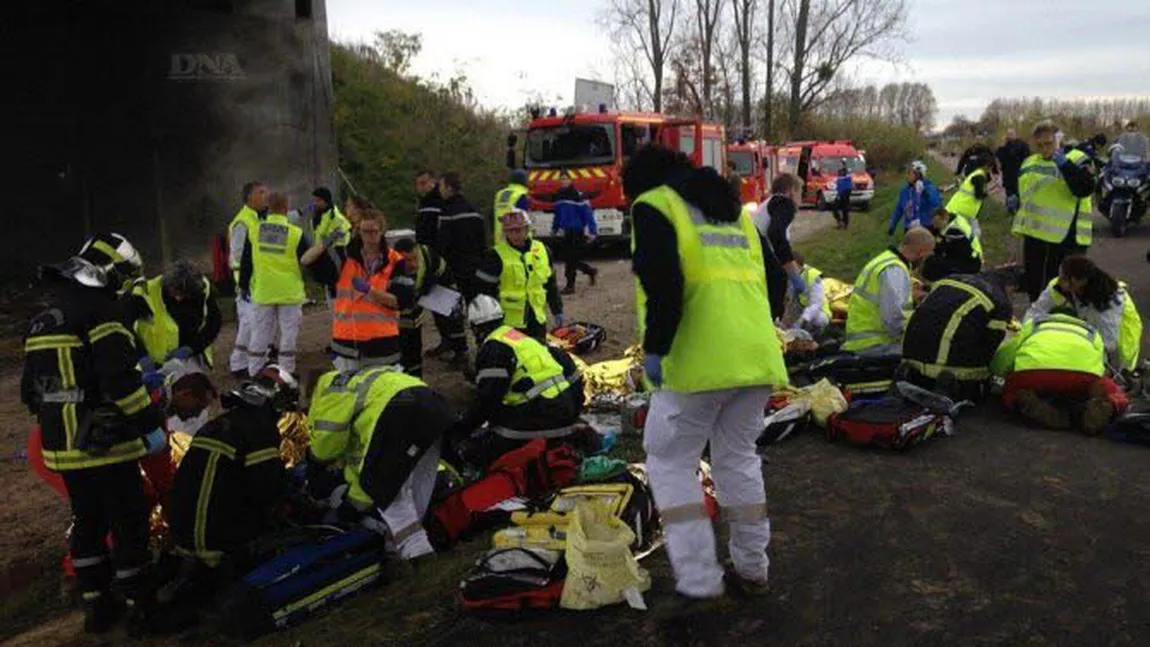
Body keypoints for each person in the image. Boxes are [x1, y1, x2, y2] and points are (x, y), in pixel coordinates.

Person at [626, 144, 787, 604]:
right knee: (737, 458)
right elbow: (774, 280)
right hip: (755, 358)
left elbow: (662, 284)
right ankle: (753, 568)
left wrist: (656, 349)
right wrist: (758, 325)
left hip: (698, 363)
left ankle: (699, 577)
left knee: (670, 462)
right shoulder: (736, 213)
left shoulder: (654, 205)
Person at [21, 233, 168, 634]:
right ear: (109, 272)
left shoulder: (45, 317)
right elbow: (121, 382)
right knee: (130, 522)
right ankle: (143, 610)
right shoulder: (105, 313)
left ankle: (97, 607)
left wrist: (61, 415)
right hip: (104, 444)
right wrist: (150, 421)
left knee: (88, 521)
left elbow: (30, 391)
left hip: (59, 445)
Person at [168, 366, 295, 607]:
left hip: (183, 535)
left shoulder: (217, 426)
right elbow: (269, 493)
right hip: (218, 544)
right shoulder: (259, 431)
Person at [306, 365, 456, 561]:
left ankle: (419, 556)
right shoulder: (356, 381)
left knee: (390, 497)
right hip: (434, 407)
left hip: (399, 413)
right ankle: (405, 549)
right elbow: (362, 460)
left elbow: (327, 445)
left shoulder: (328, 391)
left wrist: (314, 462)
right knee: (417, 488)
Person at [453, 295, 584, 465]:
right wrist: (575, 411)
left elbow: (487, 401)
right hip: (565, 415)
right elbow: (571, 371)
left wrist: (460, 431)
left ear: (474, 328)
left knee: (477, 453)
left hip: (538, 418)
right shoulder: (522, 338)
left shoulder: (494, 348)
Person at [991, 312, 1128, 435]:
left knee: (1012, 390)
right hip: (1083, 374)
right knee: (1109, 389)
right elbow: (1101, 364)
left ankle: (1028, 403)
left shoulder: (1033, 325)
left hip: (1034, 372)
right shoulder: (1091, 331)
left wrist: (998, 373)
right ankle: (1107, 404)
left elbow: (1005, 356)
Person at [899, 266, 1018, 400]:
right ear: (1010, 286)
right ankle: (951, 388)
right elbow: (991, 344)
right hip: (947, 369)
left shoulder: (951, 279)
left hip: (910, 353)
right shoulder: (1000, 300)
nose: (1012, 297)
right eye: (1013, 293)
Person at [1012, 120, 1096, 302]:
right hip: (1035, 234)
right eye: (1039, 145)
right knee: (1036, 285)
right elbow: (1025, 190)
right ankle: (1038, 320)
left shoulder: (1077, 158)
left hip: (1068, 236)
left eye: (1049, 143)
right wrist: (1014, 197)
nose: (1044, 149)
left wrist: (1064, 164)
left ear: (1059, 139)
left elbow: (1085, 188)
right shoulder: (1029, 162)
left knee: (1067, 287)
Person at [243, 193, 323, 377]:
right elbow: (307, 260)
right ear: (286, 209)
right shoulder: (296, 233)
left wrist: (243, 285)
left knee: (260, 332)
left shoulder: (254, 230)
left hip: (264, 290)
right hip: (289, 291)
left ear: (267, 208)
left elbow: (246, 261)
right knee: (288, 333)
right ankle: (286, 371)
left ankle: (255, 369)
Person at [1023, 256, 1143, 374]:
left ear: (1080, 281)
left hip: (1122, 333)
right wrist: (1025, 336)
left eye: (1064, 278)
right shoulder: (1057, 287)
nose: (1059, 281)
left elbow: (1107, 344)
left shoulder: (1108, 301)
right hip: (1089, 323)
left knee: (1119, 370)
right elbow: (1036, 311)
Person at [327, 207, 403, 372]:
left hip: (383, 344)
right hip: (347, 344)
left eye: (373, 231)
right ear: (358, 232)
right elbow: (307, 261)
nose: (369, 236)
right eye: (365, 231)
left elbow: (400, 302)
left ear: (382, 231)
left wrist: (369, 290)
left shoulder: (396, 261)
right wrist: (325, 243)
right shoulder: (345, 259)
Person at [843, 228, 936, 356]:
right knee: (929, 354)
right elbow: (894, 318)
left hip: (866, 341)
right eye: (927, 256)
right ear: (921, 252)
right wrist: (922, 331)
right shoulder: (894, 270)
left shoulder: (885, 261)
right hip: (875, 344)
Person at [476, 209, 566, 341]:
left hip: (537, 319)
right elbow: (484, 293)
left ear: (526, 228)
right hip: (509, 323)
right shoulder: (494, 256)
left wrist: (557, 309)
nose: (514, 234)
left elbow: (550, 284)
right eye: (509, 231)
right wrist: (490, 324)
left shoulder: (543, 250)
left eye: (518, 230)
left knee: (537, 356)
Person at [428, 172, 484, 364]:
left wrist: (436, 267)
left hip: (453, 268)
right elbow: (482, 240)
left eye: (442, 186)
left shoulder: (448, 212)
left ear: (449, 188)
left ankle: (460, 350)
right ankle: (483, 345)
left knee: (451, 312)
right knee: (476, 309)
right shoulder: (473, 210)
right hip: (474, 267)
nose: (440, 190)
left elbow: (442, 243)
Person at [127, 260, 221, 372]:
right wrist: (142, 357)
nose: (179, 298)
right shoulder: (144, 293)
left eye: (185, 295)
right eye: (176, 293)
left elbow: (214, 322)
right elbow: (127, 328)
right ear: (167, 284)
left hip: (189, 356)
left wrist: (192, 348)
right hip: (152, 363)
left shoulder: (202, 290)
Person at [391, 237, 448, 377]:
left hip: (416, 319)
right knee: (399, 357)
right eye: (407, 260)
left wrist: (434, 281)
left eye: (414, 258)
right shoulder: (388, 268)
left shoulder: (425, 254)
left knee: (415, 353)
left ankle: (416, 380)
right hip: (395, 323)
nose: (413, 264)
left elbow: (442, 268)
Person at [228, 182, 269, 378]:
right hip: (249, 285)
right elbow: (238, 255)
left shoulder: (257, 219)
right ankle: (256, 366)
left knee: (247, 326)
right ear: (250, 197)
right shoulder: (243, 222)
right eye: (261, 193)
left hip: (254, 284)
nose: (265, 196)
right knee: (256, 326)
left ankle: (238, 363)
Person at [751, 173, 805, 320]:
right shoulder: (784, 203)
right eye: (800, 192)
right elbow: (776, 234)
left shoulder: (768, 204)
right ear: (791, 191)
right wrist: (792, 271)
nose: (801, 199)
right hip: (764, 262)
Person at [550, 171, 599, 294]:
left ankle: (570, 286)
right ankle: (590, 271)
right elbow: (557, 215)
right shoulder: (559, 196)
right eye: (561, 179)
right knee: (569, 258)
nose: (563, 181)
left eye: (565, 179)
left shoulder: (579, 195)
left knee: (570, 258)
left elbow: (588, 215)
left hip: (577, 231)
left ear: (571, 180)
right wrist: (554, 229)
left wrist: (592, 231)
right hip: (565, 231)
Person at [945, 148, 995, 240]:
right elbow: (979, 195)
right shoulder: (979, 176)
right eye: (990, 167)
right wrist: (991, 192)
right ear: (986, 166)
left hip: (958, 208)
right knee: (971, 234)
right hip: (962, 210)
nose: (991, 169)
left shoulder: (976, 174)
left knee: (969, 233)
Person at [921, 208, 983, 281]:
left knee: (933, 262)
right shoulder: (954, 219)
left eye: (937, 224)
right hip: (970, 257)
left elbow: (938, 249)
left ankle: (939, 283)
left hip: (971, 263)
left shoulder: (954, 231)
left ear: (945, 219)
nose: (935, 226)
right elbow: (933, 230)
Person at [888, 160, 942, 237]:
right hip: (910, 228)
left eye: (910, 173)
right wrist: (893, 224)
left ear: (918, 175)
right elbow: (899, 209)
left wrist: (925, 193)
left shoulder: (929, 188)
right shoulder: (905, 191)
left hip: (925, 228)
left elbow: (936, 203)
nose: (907, 176)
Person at [782, 251, 831, 334]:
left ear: (799, 266)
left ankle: (816, 334)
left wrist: (803, 319)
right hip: (798, 309)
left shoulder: (812, 276)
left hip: (816, 310)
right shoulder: (787, 276)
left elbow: (816, 303)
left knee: (820, 320)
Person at [996, 129, 1031, 212]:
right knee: (1009, 194)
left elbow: (1028, 157)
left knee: (1019, 194)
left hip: (1019, 173)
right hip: (1007, 175)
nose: (1010, 136)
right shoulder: (1004, 146)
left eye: (1011, 134)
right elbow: (999, 157)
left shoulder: (1022, 145)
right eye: (1008, 134)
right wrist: (1002, 145)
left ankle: (1019, 210)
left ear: (1016, 134)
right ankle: (1010, 211)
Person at [493, 168, 532, 244]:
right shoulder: (521, 195)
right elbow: (524, 219)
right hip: (517, 242)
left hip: (500, 241)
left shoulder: (500, 194)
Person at [414, 169, 443, 248]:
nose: (420, 187)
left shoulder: (440, 201)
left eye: (423, 183)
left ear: (433, 182)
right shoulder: (423, 203)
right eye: (418, 184)